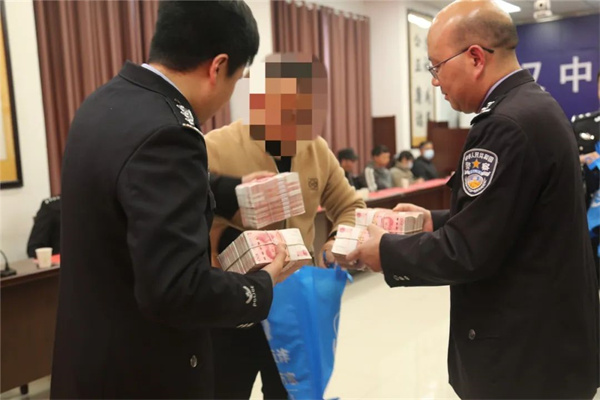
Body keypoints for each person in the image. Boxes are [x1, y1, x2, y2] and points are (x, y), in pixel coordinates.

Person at [347, 1, 599, 398]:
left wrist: (385, 251)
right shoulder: (537, 106)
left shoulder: (504, 125)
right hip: (550, 347)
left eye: (436, 67)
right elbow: (509, 217)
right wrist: (433, 221)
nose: (435, 82)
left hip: (522, 361)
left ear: (476, 58)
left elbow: (467, 251)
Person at [51, 2, 289, 399]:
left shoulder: (106, 102)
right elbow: (179, 290)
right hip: (144, 374)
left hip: (90, 362)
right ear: (218, 67)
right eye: (237, 80)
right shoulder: (171, 132)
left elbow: (138, 187)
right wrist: (260, 287)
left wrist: (235, 190)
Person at [204, 53, 365, 400]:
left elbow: (351, 206)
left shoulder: (316, 149)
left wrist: (336, 241)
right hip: (233, 303)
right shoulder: (215, 146)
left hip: (293, 304)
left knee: (292, 394)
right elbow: (184, 218)